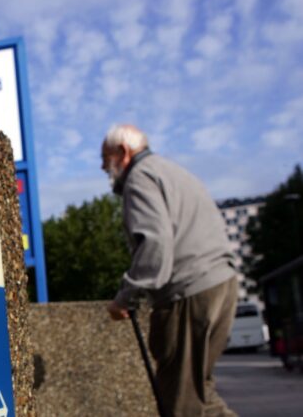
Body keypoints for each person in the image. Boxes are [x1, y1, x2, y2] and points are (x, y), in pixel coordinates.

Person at [101, 124, 238, 417]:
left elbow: (155, 245)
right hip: (221, 283)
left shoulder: (139, 178)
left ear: (123, 152)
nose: (104, 168)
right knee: (200, 392)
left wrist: (127, 297)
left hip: (189, 291)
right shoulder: (173, 172)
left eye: (106, 159)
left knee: (181, 403)